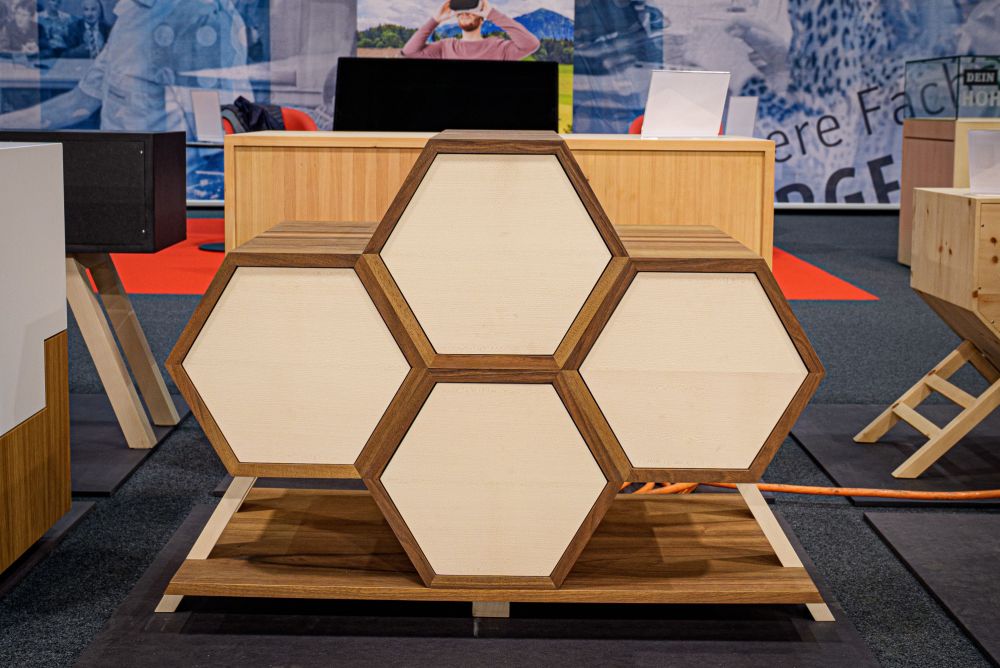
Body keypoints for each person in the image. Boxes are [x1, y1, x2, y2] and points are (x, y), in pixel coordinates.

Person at [402, 0, 539, 61]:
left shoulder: (499, 47)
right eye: (461, 12)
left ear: (482, 18)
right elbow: (409, 52)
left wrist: (492, 13)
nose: (465, 14)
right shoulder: (445, 47)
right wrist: (435, 19)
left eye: (470, 11)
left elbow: (531, 44)